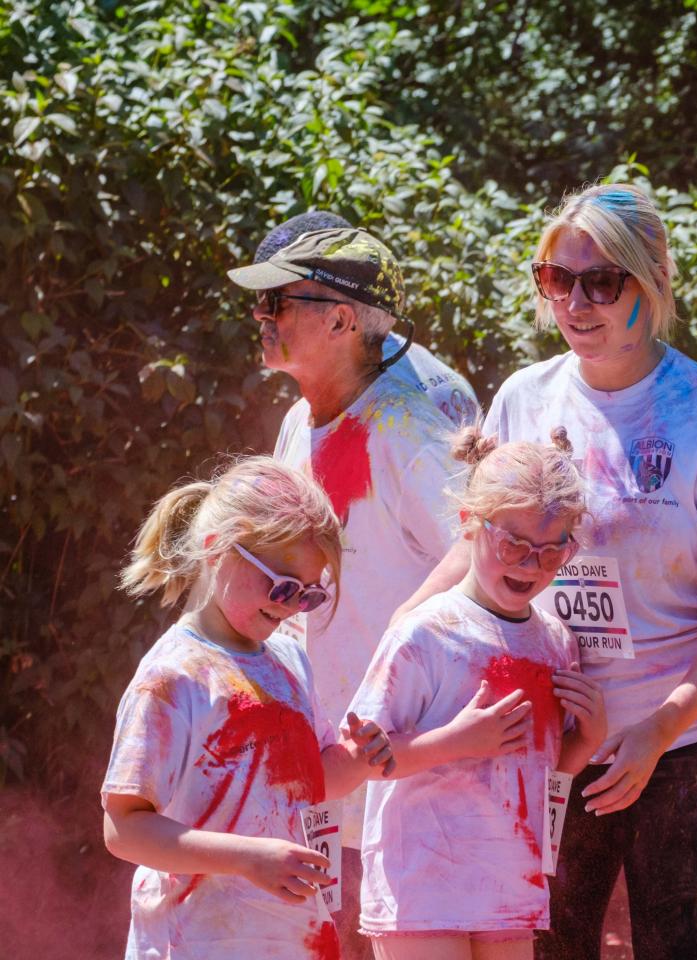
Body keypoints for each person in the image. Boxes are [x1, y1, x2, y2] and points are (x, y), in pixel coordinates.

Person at [393, 182, 697, 960]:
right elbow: (478, 545)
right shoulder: (525, 400)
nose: (575, 301)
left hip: (691, 749)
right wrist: (399, 636)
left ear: (653, 282)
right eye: (555, 278)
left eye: (602, 281)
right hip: (553, 739)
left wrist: (657, 729)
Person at [227, 221, 480, 944]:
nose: (261, 317)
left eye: (277, 301)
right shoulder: (297, 419)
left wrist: (396, 641)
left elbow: (478, 544)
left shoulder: (412, 415)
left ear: (340, 318)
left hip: (404, 763)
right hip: (325, 762)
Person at [102, 456, 396, 959]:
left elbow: (308, 783)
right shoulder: (174, 677)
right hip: (196, 940)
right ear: (218, 550)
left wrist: (356, 760)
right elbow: (123, 828)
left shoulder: (287, 659)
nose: (288, 606)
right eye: (281, 586)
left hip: (292, 940)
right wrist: (248, 858)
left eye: (308, 595)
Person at [347, 428, 608, 960]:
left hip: (509, 887)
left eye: (552, 553)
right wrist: (455, 741)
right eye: (512, 544)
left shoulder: (555, 641)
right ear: (469, 525)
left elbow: (551, 771)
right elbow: (361, 758)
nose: (529, 566)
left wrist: (590, 738)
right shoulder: (424, 633)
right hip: (420, 889)